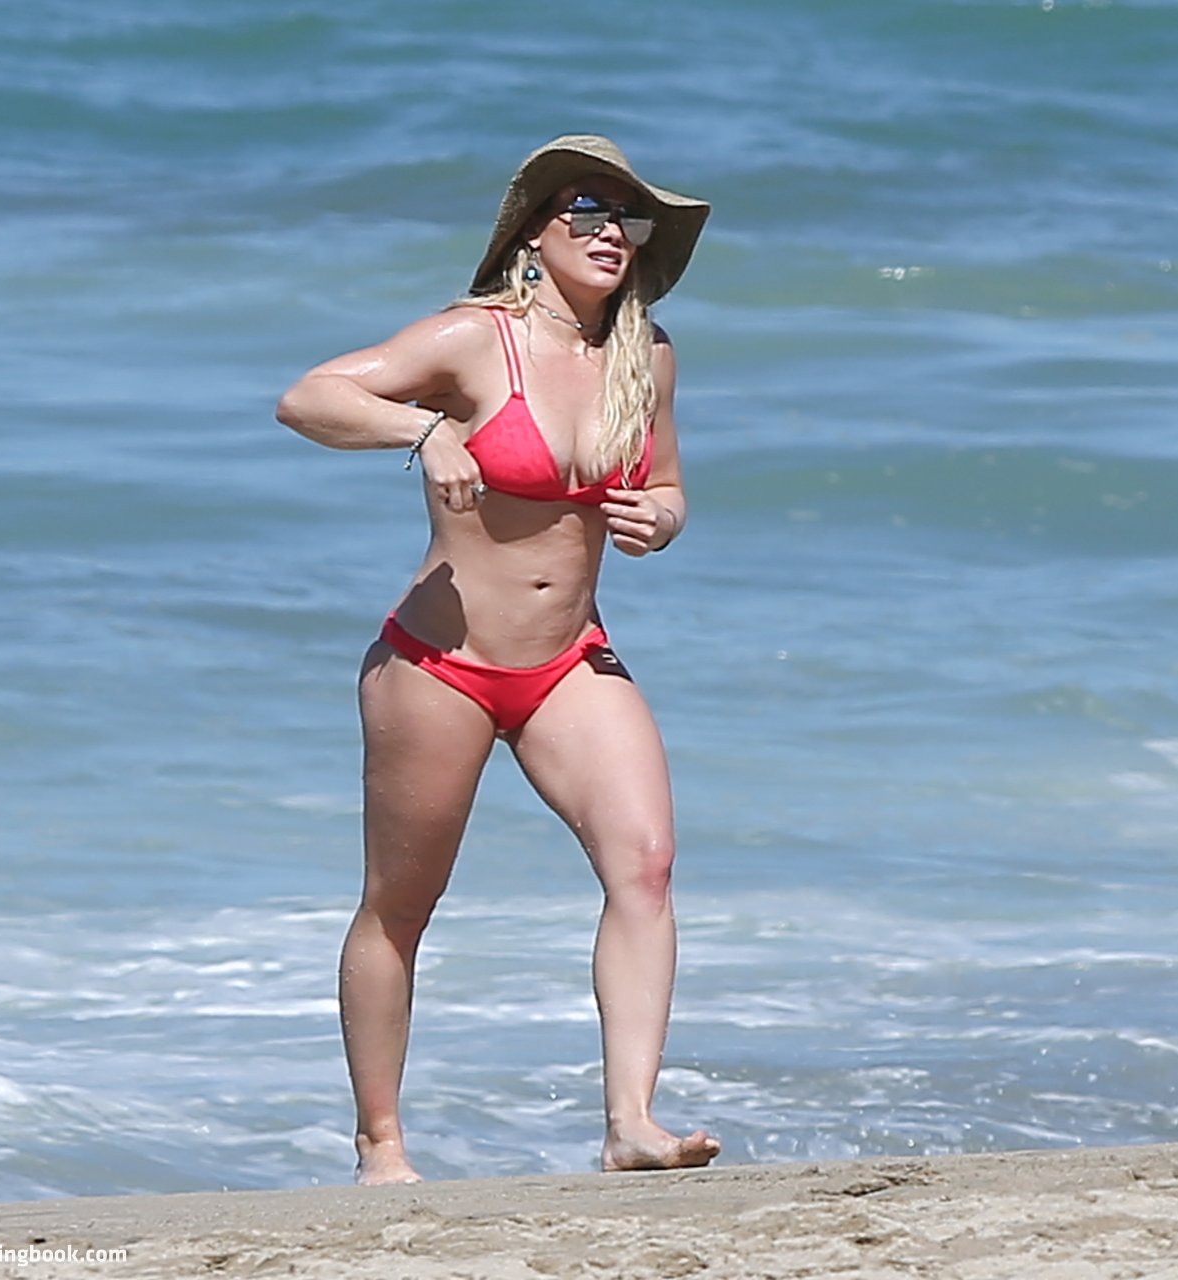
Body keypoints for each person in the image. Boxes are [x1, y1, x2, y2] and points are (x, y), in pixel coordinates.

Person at [276, 135, 719, 1186]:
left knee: (645, 863)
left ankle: (630, 1123)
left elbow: (664, 482)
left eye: (628, 219)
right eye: (586, 212)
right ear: (531, 234)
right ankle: (381, 1144)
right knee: (401, 903)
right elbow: (308, 397)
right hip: (440, 661)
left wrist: (659, 519)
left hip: (570, 659)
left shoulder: (644, 356)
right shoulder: (475, 340)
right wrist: (420, 430)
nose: (612, 233)